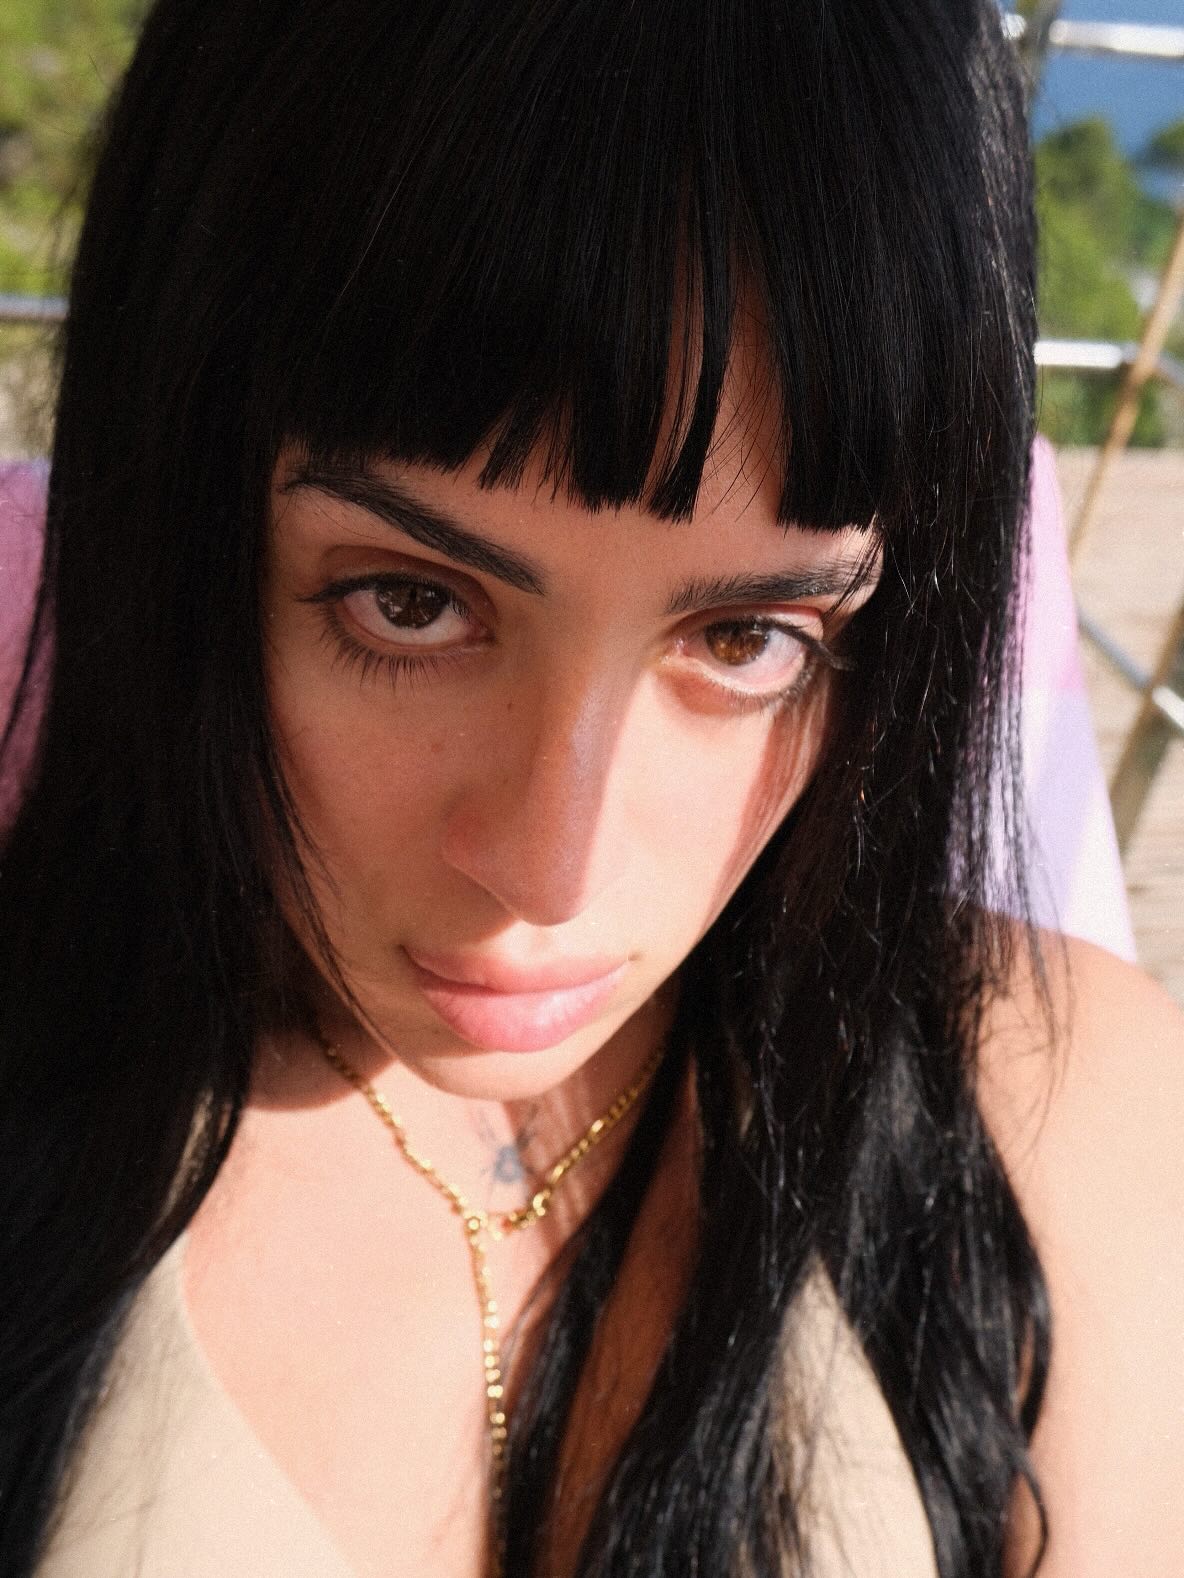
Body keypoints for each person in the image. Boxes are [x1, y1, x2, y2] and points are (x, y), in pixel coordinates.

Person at [1, 1, 1181, 1575]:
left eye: (747, 637)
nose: (551, 870)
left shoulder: (1062, 1118)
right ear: (175, 517)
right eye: (409, 603)